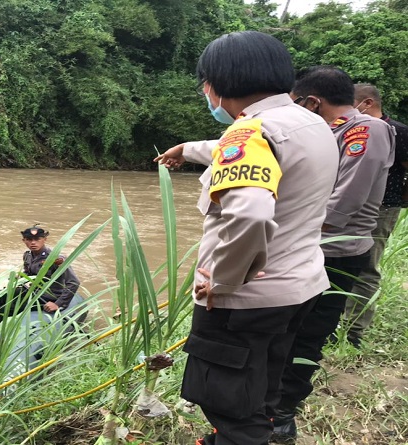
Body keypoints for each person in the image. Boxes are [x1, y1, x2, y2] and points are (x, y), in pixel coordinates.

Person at [154, 32, 338, 445]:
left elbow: (250, 212)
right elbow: (237, 150)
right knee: (264, 382)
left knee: (230, 402)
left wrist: (223, 282)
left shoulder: (251, 133)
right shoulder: (311, 123)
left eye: (204, 83)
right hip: (299, 287)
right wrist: (187, 148)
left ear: (216, 84)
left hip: (246, 302)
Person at [271, 67, 395, 442]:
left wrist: (293, 230)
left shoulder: (365, 130)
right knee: (287, 330)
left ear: (313, 101)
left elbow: (346, 201)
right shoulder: (330, 130)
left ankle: (281, 415)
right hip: (313, 245)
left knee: (308, 334)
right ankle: (272, 402)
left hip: (336, 249)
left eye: (299, 104)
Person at [343, 83, 408, 347]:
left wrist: (397, 201)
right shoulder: (351, 130)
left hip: (381, 208)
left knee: (366, 267)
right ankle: (336, 320)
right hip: (348, 206)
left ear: (367, 103)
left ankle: (353, 332)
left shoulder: (398, 132)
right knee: (339, 262)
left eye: (351, 105)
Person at [20, 225, 80, 313]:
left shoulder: (56, 259)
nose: (33, 242)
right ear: (24, 241)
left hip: (50, 297)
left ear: (45, 239)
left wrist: (58, 303)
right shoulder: (27, 255)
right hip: (33, 292)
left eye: (37, 239)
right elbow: (28, 273)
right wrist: (21, 278)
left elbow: (73, 282)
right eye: (29, 239)